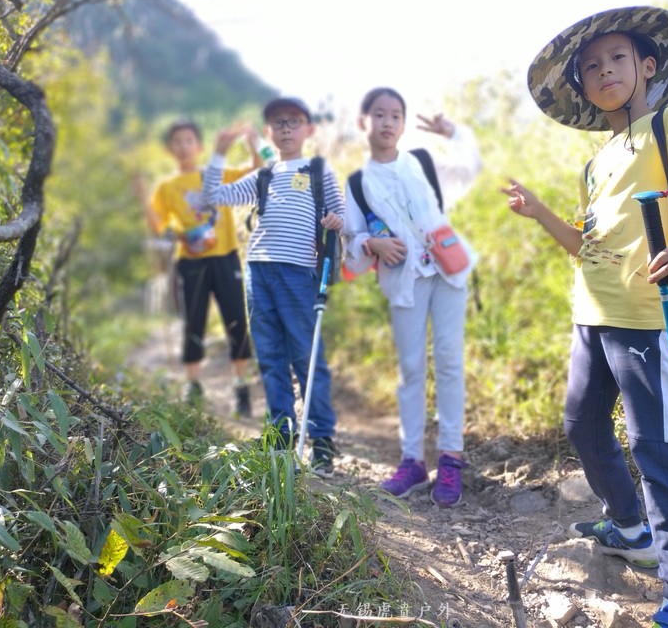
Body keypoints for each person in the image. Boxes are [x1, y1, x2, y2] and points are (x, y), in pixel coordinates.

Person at [503, 6, 668, 627]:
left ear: (646, 67)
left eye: (618, 60)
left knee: (656, 443)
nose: (605, 71)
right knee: (581, 422)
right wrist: (540, 211)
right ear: (582, 84)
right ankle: (630, 527)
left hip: (647, 315)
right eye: (592, 66)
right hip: (593, 314)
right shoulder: (595, 162)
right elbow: (588, 245)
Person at [342, 87, 482, 508]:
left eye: (396, 115)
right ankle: (412, 460)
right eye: (379, 115)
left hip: (447, 272)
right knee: (410, 368)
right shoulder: (356, 183)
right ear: (363, 122)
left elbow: (469, 168)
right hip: (404, 281)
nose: (387, 123)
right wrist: (372, 244)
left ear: (403, 124)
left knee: (450, 359)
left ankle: (451, 458)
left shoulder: (422, 161)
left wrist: (453, 131)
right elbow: (351, 239)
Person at [203, 96, 345, 478]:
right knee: (269, 356)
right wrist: (218, 153)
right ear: (268, 131)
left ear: (308, 129)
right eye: (278, 123)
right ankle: (280, 438)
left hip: (299, 273)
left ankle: (323, 443)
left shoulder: (318, 170)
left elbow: (341, 214)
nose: (285, 128)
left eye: (293, 121)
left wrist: (335, 220)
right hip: (259, 270)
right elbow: (215, 195)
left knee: (306, 356)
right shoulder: (263, 174)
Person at [140, 119, 262, 415]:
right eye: (177, 142)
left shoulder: (215, 174)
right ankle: (193, 386)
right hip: (190, 261)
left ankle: (241, 386)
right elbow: (158, 225)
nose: (183, 146)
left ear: (200, 146)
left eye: (189, 141)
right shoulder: (167, 187)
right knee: (193, 321)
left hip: (226, 256)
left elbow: (256, 172)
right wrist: (143, 196)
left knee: (236, 320)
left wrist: (250, 144)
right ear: (171, 149)